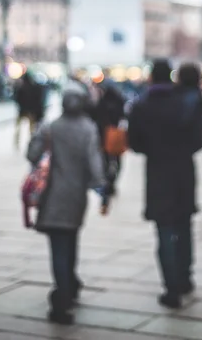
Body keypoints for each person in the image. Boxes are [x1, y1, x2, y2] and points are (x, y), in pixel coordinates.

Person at [128, 59, 202, 309]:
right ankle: (185, 278)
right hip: (183, 170)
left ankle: (171, 288)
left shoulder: (141, 104)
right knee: (184, 224)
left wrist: (153, 149)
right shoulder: (184, 101)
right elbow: (199, 140)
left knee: (164, 229)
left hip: (158, 171)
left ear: (151, 77)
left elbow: (135, 143)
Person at [27, 83, 105, 325]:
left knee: (58, 246)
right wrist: (102, 187)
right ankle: (68, 287)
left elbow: (32, 154)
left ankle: (64, 291)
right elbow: (95, 166)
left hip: (51, 195)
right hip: (75, 197)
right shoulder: (88, 129)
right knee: (70, 240)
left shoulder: (51, 126)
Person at [94, 82, 125, 199]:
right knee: (117, 161)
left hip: (104, 137)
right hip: (116, 137)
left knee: (105, 161)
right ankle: (113, 180)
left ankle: (107, 181)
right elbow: (123, 116)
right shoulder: (119, 101)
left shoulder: (101, 103)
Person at [14, 72, 45, 147]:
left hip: (22, 111)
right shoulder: (34, 87)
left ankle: (16, 143)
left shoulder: (21, 88)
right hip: (31, 111)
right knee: (31, 129)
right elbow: (37, 99)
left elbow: (17, 99)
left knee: (18, 128)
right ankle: (31, 142)